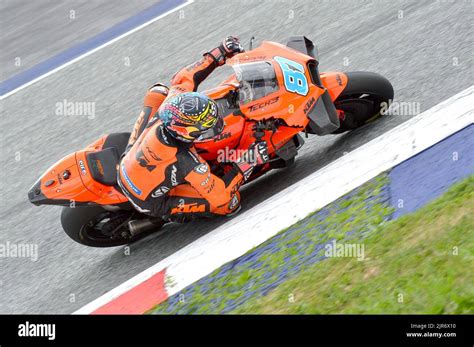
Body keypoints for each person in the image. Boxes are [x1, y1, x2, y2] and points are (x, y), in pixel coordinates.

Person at [117, 36, 269, 223]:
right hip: (147, 199)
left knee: (158, 92)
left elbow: (185, 77)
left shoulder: (174, 103)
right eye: (205, 126)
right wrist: (247, 162)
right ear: (185, 133)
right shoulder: (188, 161)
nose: (214, 126)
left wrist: (219, 52)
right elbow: (220, 196)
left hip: (127, 161)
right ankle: (161, 218)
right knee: (229, 203)